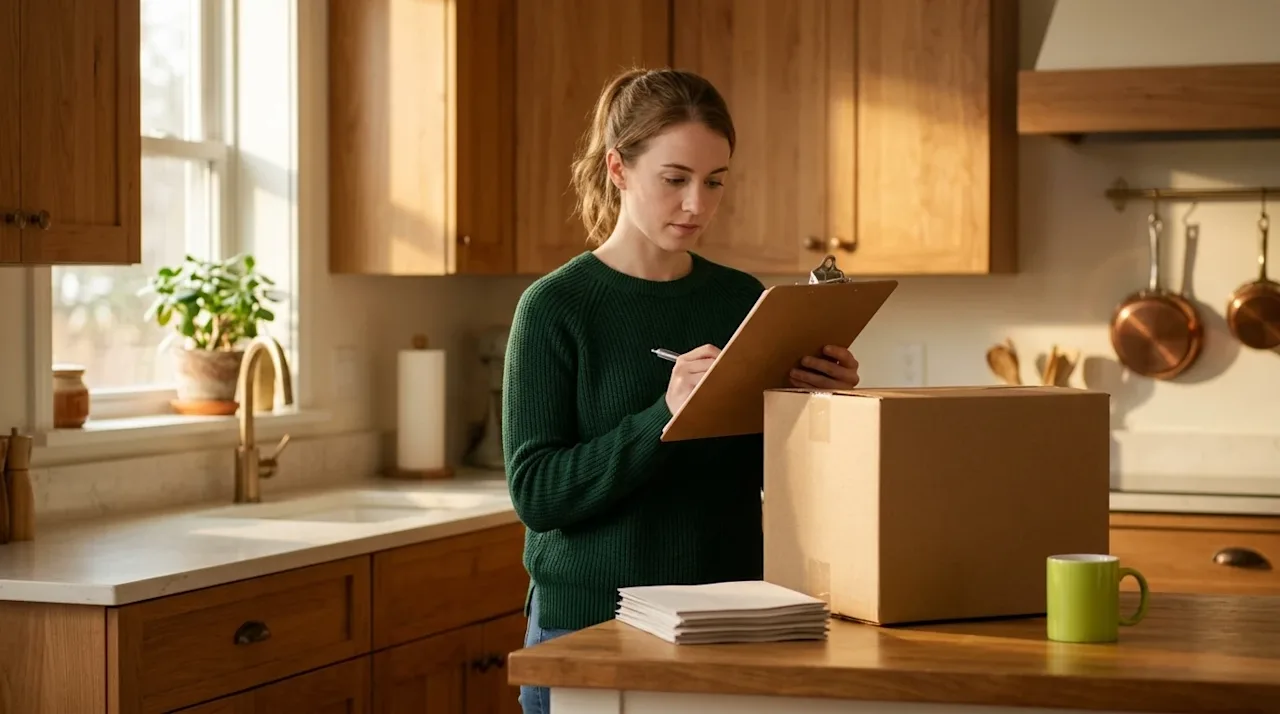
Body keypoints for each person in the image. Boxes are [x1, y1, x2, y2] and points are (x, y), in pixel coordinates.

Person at [502, 66, 861, 714]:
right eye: (675, 180)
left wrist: (820, 403)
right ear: (618, 169)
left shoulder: (740, 299)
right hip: (590, 629)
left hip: (727, 621)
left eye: (715, 181)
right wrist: (661, 416)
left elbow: (774, 476)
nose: (698, 204)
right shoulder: (554, 309)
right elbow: (538, 494)